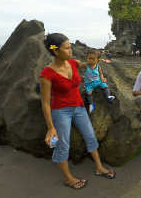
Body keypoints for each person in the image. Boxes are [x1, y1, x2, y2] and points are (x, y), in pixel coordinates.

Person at [39, 33, 116, 189]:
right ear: (55, 51)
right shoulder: (47, 73)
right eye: (67, 48)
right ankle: (68, 178)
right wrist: (50, 127)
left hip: (79, 107)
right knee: (63, 145)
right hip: (61, 112)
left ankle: (99, 167)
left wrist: (101, 77)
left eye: (70, 46)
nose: (71, 50)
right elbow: (45, 102)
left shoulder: (73, 63)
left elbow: (91, 64)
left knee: (90, 137)